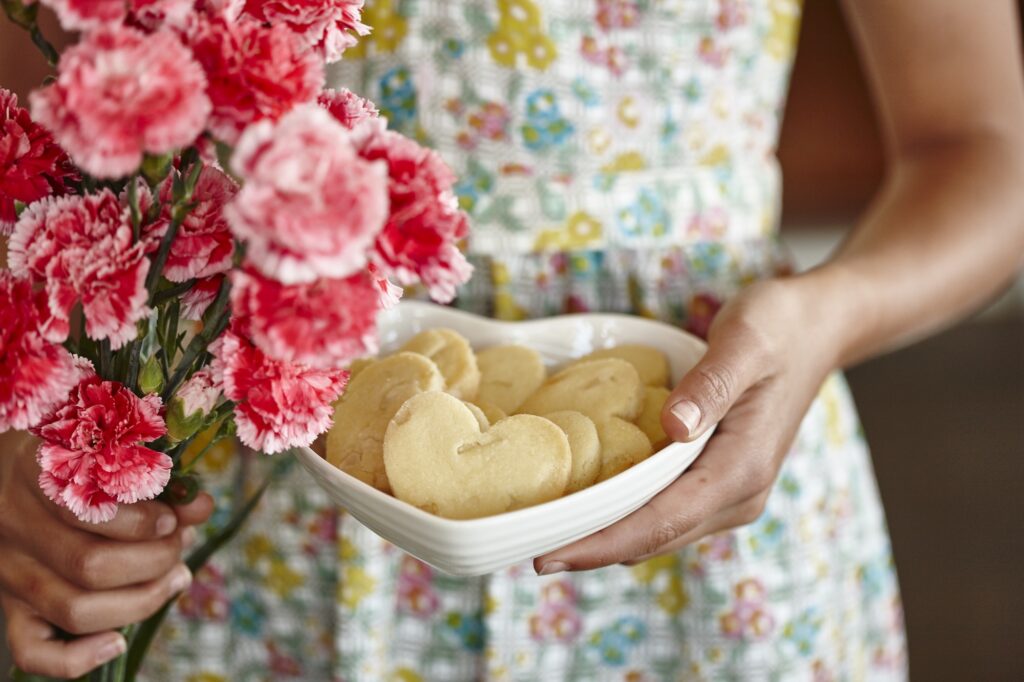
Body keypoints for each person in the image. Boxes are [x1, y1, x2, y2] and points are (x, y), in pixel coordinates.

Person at [3, 0, 1024, 679]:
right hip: (266, 486)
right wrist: (26, 443)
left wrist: (825, 317)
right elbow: (36, 142)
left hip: (704, 465)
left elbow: (983, 150)